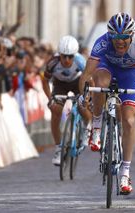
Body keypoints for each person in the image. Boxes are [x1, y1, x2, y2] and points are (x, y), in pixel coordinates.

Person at [78, 13, 135, 195]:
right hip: (107, 67)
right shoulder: (102, 42)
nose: (120, 42)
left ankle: (125, 173)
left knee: (128, 121)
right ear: (110, 35)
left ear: (131, 35)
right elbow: (86, 75)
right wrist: (84, 94)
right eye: (116, 37)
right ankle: (96, 126)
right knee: (100, 84)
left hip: (131, 73)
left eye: (124, 38)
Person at [43, 35, 91, 166]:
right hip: (60, 84)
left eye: (70, 56)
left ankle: (88, 127)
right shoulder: (52, 62)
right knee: (55, 110)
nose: (66, 60)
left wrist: (87, 96)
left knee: (83, 106)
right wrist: (50, 98)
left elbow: (89, 80)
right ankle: (59, 148)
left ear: (74, 55)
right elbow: (45, 81)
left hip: (78, 82)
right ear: (59, 54)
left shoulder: (80, 61)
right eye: (63, 56)